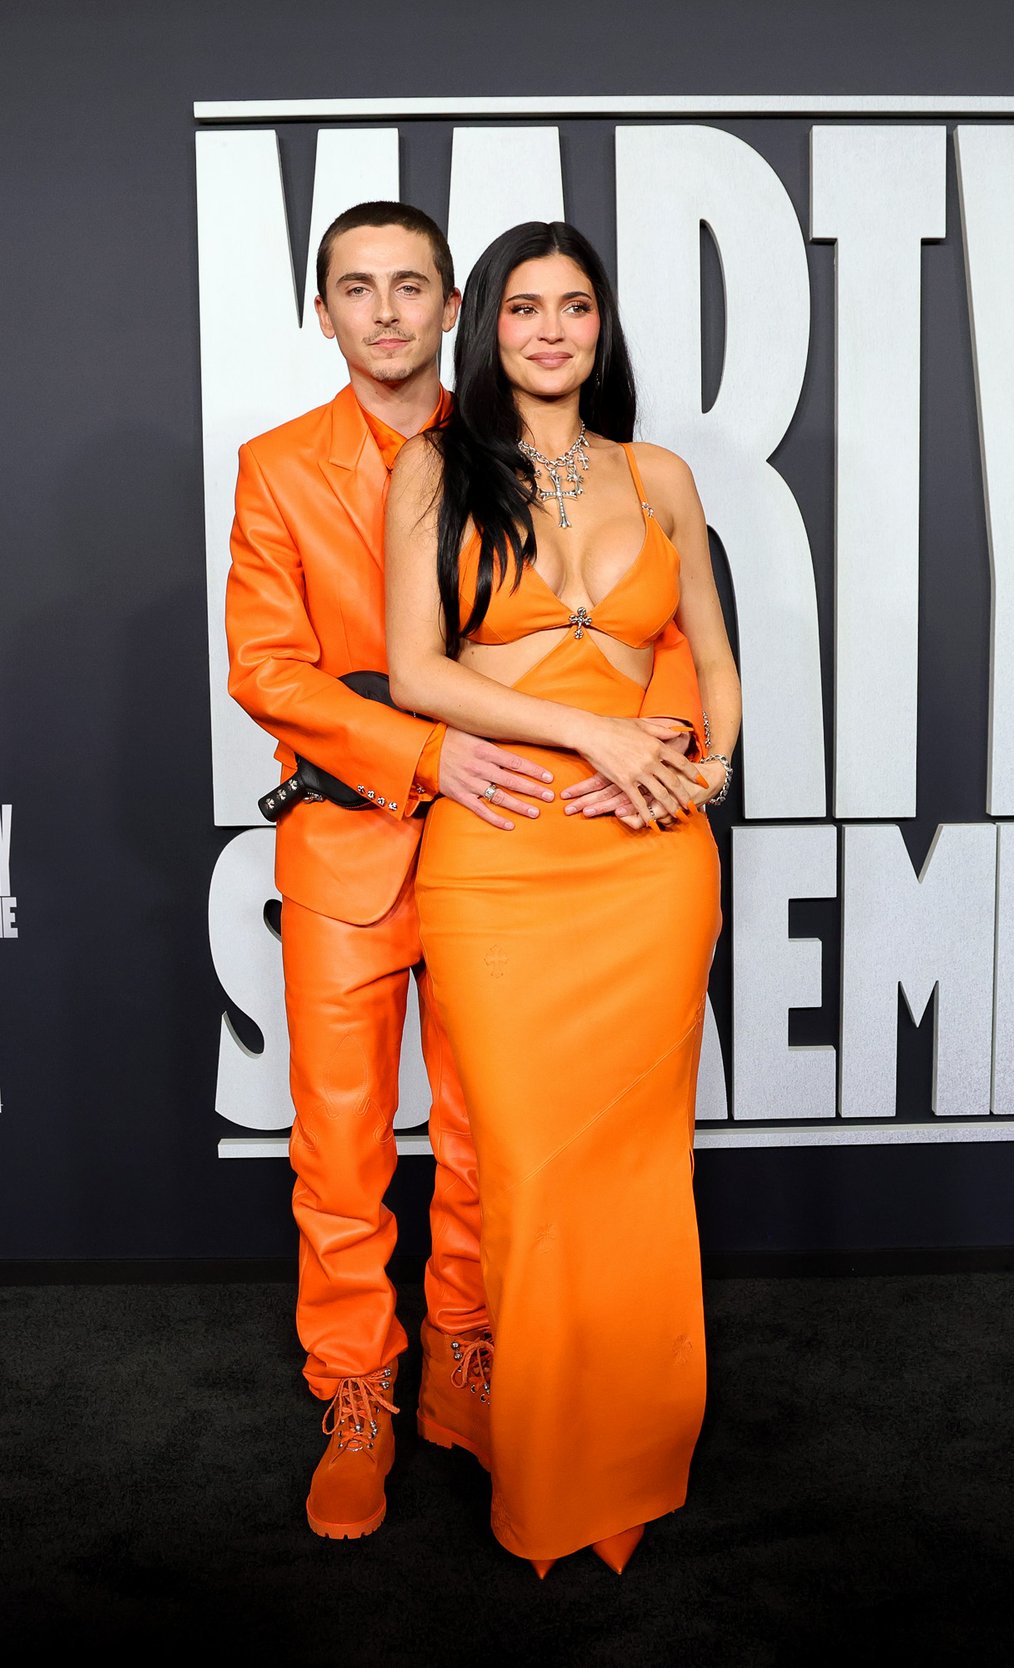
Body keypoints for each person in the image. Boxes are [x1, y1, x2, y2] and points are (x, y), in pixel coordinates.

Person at [223, 203, 704, 1541]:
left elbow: (626, 615)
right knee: (342, 1151)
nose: (383, 311)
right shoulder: (278, 468)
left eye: (411, 286)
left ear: (456, 308)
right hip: (354, 844)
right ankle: (358, 1395)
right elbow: (266, 670)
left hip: (536, 847)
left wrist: (668, 721)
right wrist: (431, 749)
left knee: (501, 1150)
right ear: (321, 310)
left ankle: (468, 1364)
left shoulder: (521, 449)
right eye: (354, 288)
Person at [384, 220, 740, 1576]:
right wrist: (595, 738)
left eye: (574, 306)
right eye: (524, 307)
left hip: (648, 867)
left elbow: (712, 657)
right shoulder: (434, 471)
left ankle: (633, 1452)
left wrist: (696, 772)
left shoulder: (659, 476)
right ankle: (543, 1462)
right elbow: (416, 671)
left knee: (639, 1167)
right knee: (531, 1168)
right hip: (505, 853)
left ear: (603, 327)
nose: (548, 330)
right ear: (490, 327)